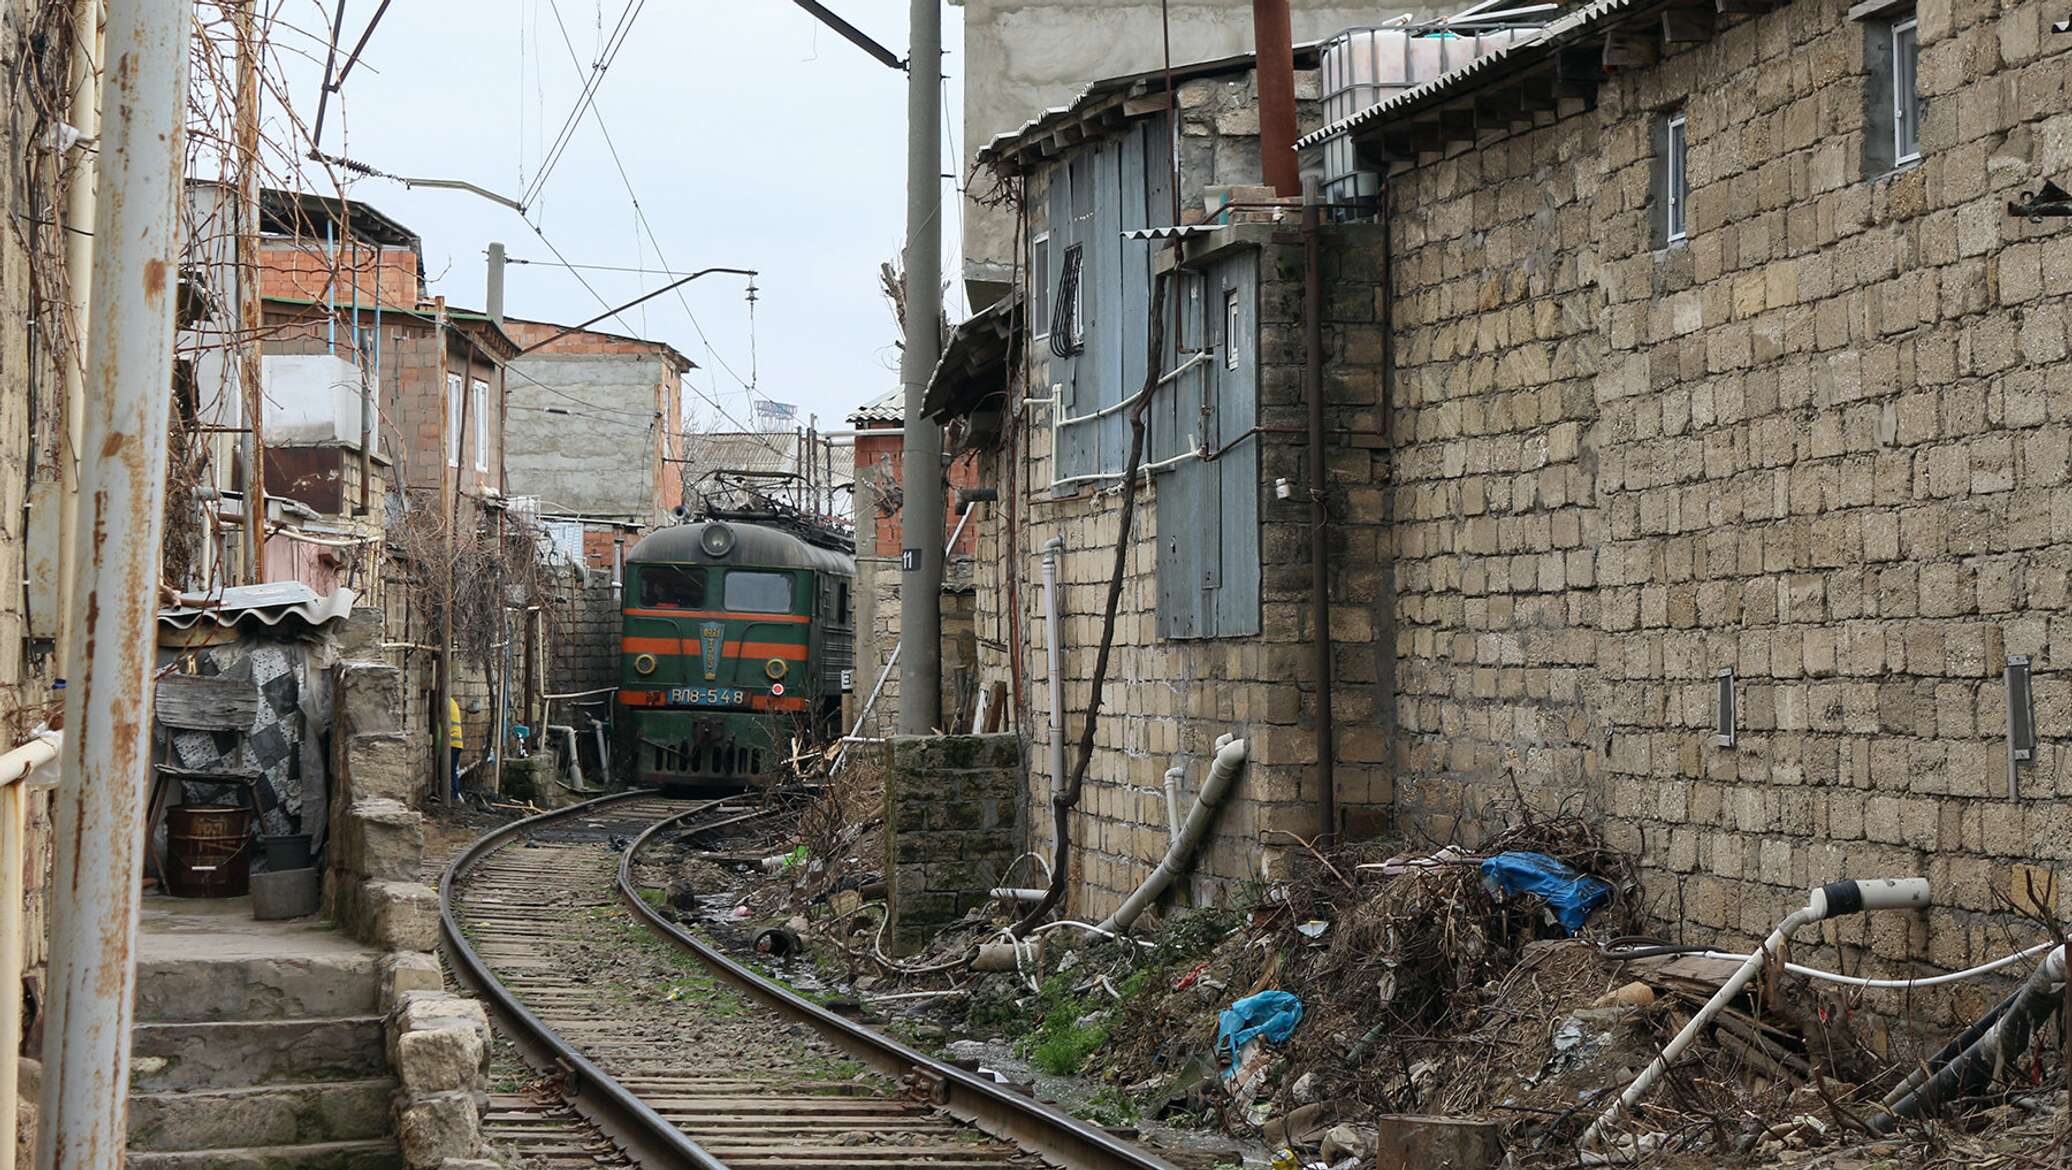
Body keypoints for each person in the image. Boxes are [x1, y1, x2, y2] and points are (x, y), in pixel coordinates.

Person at [447, 696, 464, 800]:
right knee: (453, 771)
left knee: (450, 771)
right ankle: (454, 794)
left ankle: (453, 796)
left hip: (452, 743)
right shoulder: (452, 703)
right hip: (457, 743)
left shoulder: (447, 702)